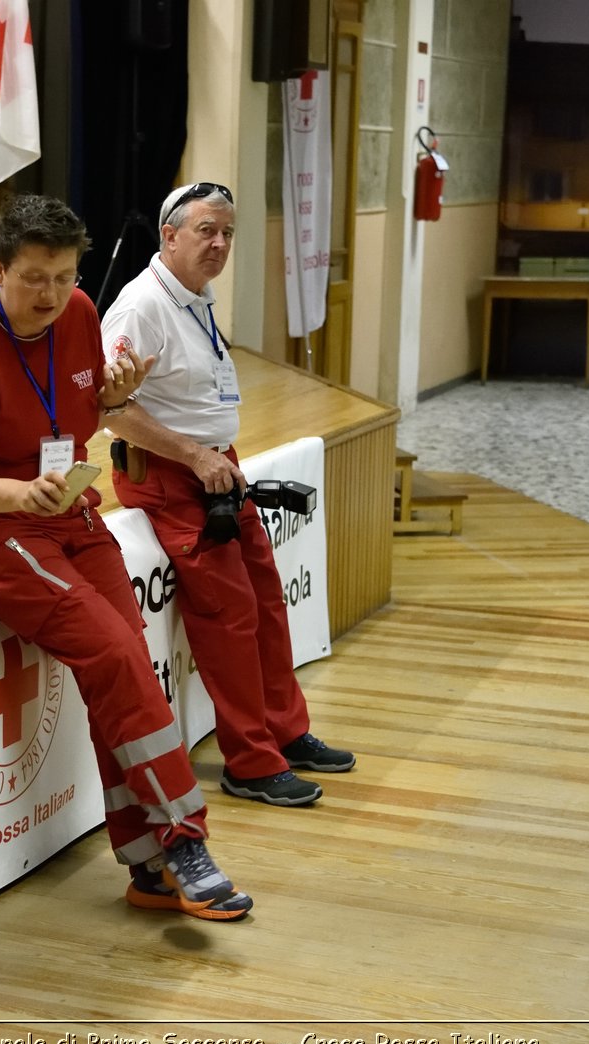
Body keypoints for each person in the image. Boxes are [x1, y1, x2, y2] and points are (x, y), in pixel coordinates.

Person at [0, 193, 253, 923]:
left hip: (64, 507)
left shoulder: (79, 317)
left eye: (65, 276)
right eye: (34, 277)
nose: (51, 294)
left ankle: (148, 867)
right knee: (114, 653)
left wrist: (111, 398)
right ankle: (184, 840)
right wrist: (13, 493)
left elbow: (81, 413)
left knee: (125, 655)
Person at [99, 181, 357, 809]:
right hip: (171, 471)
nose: (219, 244)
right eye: (206, 231)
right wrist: (193, 456)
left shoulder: (195, 296)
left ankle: (285, 730)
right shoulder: (139, 309)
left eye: (228, 234)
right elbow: (111, 410)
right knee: (229, 614)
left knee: (267, 596)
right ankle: (250, 760)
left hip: (217, 468)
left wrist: (213, 458)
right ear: (169, 236)